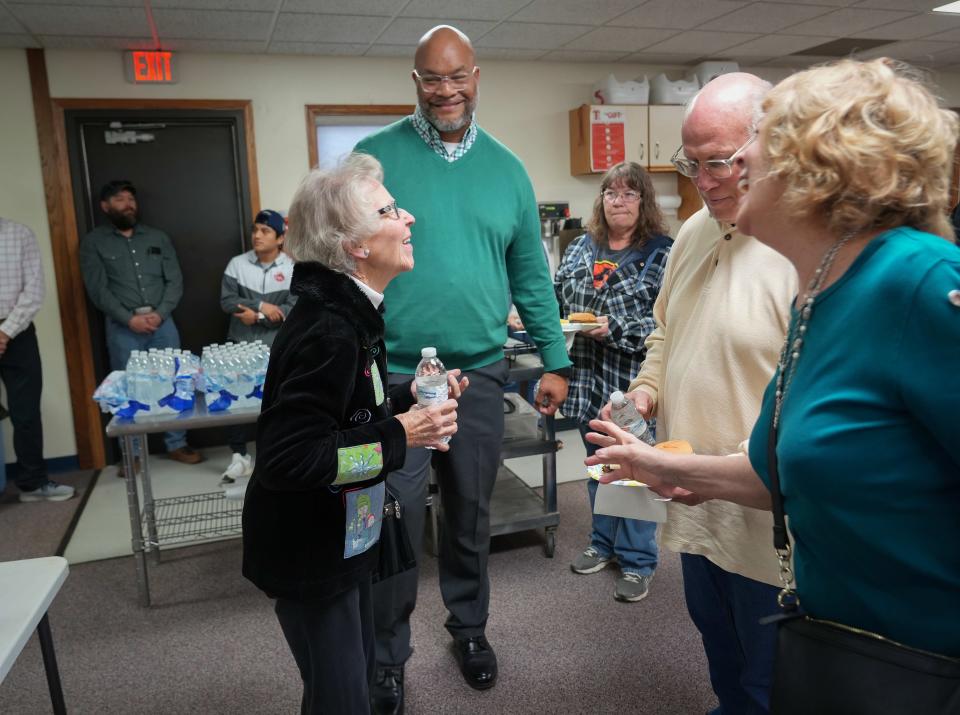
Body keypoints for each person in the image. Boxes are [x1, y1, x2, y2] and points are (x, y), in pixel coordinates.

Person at [587, 57, 960, 663]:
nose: (717, 176)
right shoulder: (824, 285)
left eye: (746, 150)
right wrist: (662, 461)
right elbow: (775, 463)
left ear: (810, 166)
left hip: (906, 641)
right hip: (832, 605)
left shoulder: (917, 280)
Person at [355, 24, 571, 711]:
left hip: (477, 375)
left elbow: (531, 276)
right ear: (413, 81)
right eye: (430, 78)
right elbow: (344, 259)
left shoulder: (507, 168)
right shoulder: (373, 160)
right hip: (391, 378)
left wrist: (555, 358)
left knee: (471, 512)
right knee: (394, 518)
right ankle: (388, 657)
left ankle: (469, 629)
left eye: (456, 76)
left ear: (477, 77)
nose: (445, 90)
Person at [597, 73, 797, 714]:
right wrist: (645, 393)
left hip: (767, 524)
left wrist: (706, 473)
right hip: (691, 504)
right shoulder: (692, 233)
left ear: (770, 147)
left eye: (718, 163)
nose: (701, 181)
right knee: (721, 652)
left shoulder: (802, 251)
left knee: (775, 678)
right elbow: (665, 334)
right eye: (691, 163)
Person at [242, 153, 464, 714]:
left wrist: (406, 400)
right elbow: (289, 460)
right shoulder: (331, 328)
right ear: (355, 247)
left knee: (352, 685)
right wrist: (404, 434)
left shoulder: (348, 312)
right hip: (310, 550)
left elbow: (344, 414)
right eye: (390, 210)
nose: (408, 216)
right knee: (340, 701)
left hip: (338, 539)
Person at [555, 162, 671, 602]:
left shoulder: (663, 252)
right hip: (587, 379)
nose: (618, 201)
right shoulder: (582, 247)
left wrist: (615, 327)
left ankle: (639, 562)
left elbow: (666, 324)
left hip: (633, 385)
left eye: (628, 193)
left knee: (637, 474)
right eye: (610, 193)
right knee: (600, 468)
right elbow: (559, 294)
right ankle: (602, 544)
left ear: (643, 202)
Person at [79, 180, 203, 471]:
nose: (128, 204)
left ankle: (177, 443)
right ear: (105, 206)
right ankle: (132, 453)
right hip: (124, 327)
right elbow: (98, 290)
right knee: (129, 387)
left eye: (131, 199)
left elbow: (175, 281)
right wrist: (129, 319)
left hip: (163, 323)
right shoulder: (94, 242)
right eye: (120, 199)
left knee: (177, 381)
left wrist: (160, 314)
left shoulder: (157, 238)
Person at [218, 208, 295, 485]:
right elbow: (227, 301)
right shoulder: (237, 264)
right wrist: (262, 305)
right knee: (233, 401)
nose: (257, 236)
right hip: (239, 345)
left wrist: (258, 317)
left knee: (274, 401)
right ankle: (239, 455)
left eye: (265, 231)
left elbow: (294, 306)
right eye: (255, 230)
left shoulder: (292, 266)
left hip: (276, 346)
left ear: (280, 238)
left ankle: (271, 454)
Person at [0, 217, 75, 502]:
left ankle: (32, 483)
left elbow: (34, 291)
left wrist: (5, 332)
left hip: (17, 332)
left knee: (26, 413)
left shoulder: (19, 234)